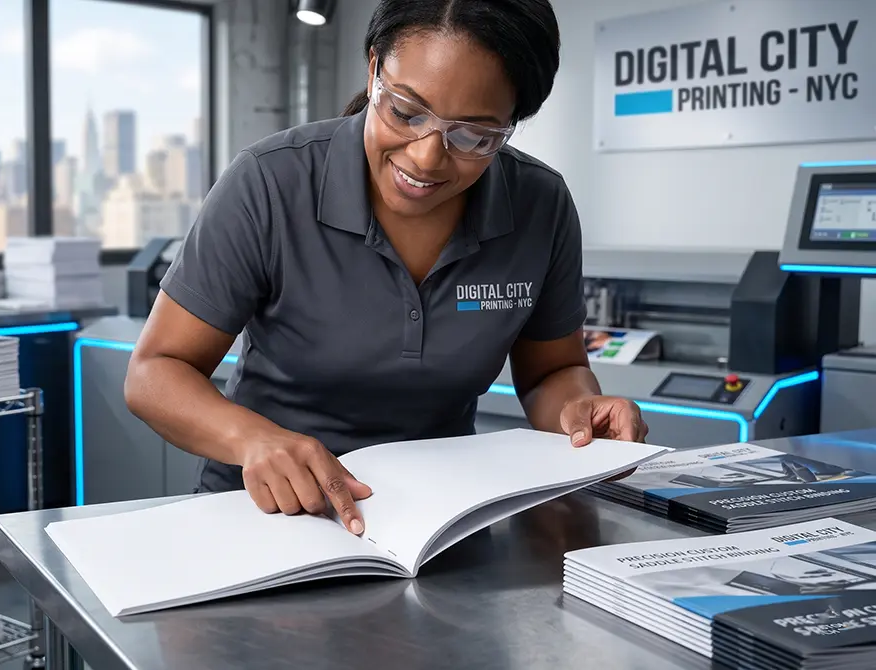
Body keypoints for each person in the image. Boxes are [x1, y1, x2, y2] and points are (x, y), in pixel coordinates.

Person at [123, 0, 648, 537]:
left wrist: (580, 409)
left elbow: (550, 372)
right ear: (375, 69)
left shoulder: (541, 204)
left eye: (474, 136)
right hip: (267, 517)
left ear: (512, 123)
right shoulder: (270, 183)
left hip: (441, 523)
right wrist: (252, 439)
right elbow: (155, 372)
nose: (426, 158)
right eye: (405, 111)